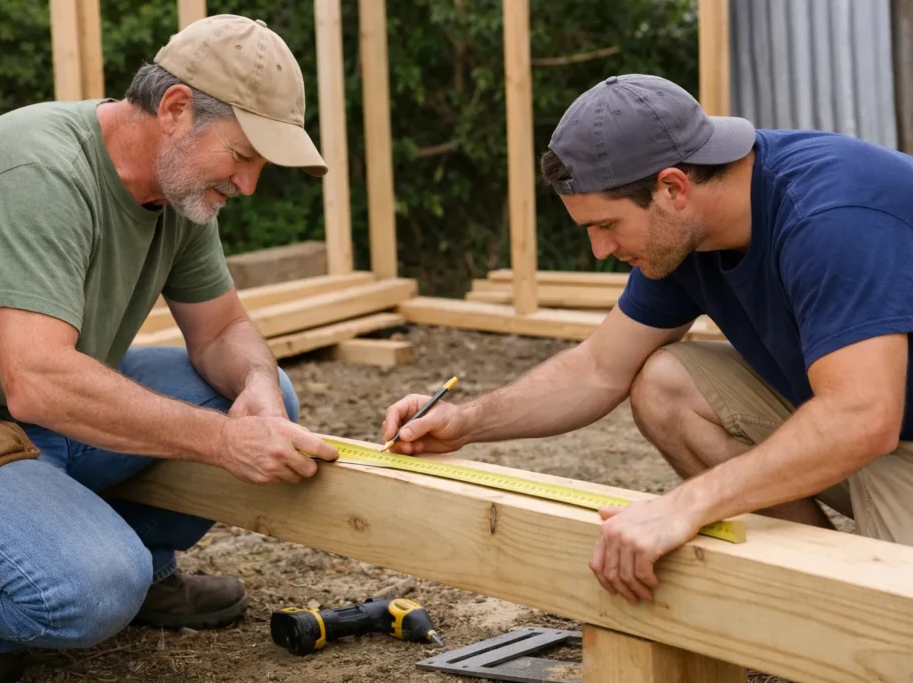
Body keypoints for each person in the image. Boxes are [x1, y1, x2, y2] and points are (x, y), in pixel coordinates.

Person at [0, 14, 339, 683]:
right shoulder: (40, 172)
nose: (248, 185)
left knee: (259, 394)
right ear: (177, 109)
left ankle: (147, 564)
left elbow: (220, 332)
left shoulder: (179, 188)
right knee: (96, 589)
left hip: (32, 411)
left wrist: (260, 394)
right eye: (243, 157)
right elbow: (38, 378)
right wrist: (221, 441)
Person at [383, 74, 913, 606]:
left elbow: (861, 417)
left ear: (672, 188)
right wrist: (467, 422)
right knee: (666, 385)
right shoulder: (686, 234)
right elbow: (598, 369)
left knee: (895, 635)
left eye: (607, 224)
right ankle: (815, 596)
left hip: (878, 428)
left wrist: (687, 505)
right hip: (866, 422)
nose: (598, 249)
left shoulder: (830, 219)